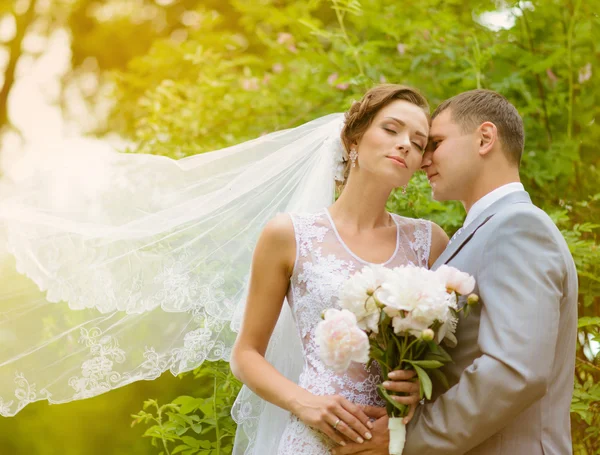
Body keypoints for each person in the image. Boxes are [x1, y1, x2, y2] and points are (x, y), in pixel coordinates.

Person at [332, 89, 578, 455]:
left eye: (434, 143)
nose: (423, 159)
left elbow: (515, 371)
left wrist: (404, 440)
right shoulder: (478, 233)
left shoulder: (519, 226)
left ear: (484, 138)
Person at [229, 84, 450, 454]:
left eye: (418, 140)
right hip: (313, 439)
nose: (405, 144)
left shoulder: (430, 242)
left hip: (393, 442)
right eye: (391, 129)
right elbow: (246, 354)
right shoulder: (288, 234)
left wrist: (417, 393)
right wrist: (305, 402)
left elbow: (453, 358)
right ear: (354, 140)